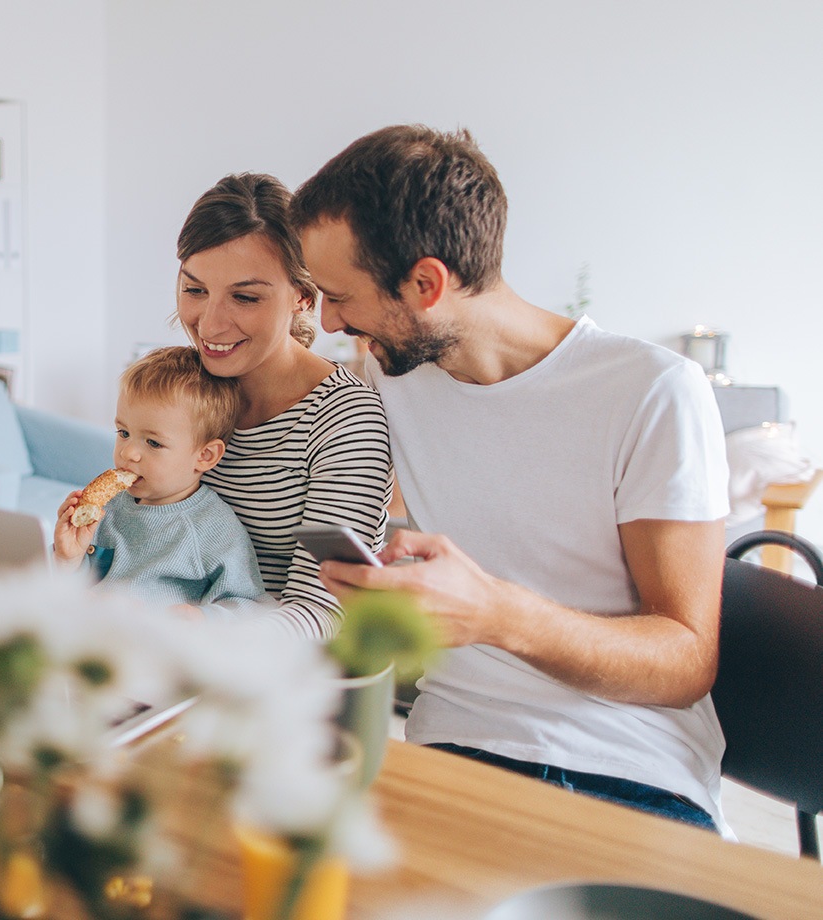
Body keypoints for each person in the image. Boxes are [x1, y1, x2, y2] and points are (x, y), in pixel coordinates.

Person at [290, 125, 732, 833]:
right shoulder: (388, 375)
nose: (330, 320)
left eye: (340, 296)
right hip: (450, 755)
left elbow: (686, 660)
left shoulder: (651, 391)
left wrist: (496, 614)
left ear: (426, 284)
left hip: (624, 771)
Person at [175, 172, 392, 639]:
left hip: (274, 678)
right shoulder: (181, 388)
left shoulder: (345, 420)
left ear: (302, 297)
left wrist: (199, 633)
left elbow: (321, 613)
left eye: (245, 297)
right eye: (195, 290)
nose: (209, 324)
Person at [54, 345, 267, 620]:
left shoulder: (212, 527)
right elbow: (69, 590)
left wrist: (202, 619)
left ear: (204, 456)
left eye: (153, 442)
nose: (128, 452)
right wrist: (68, 559)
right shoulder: (109, 507)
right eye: (124, 432)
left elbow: (250, 606)